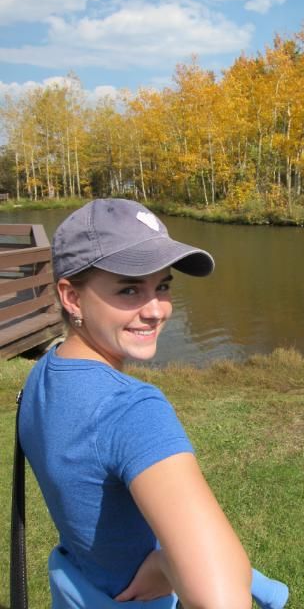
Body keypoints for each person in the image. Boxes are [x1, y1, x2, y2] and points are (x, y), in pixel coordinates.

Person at [19, 199, 289, 609]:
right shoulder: (131, 409)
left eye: (162, 286)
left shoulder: (44, 374)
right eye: (129, 289)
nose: (156, 310)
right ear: (71, 297)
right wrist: (166, 565)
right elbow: (223, 601)